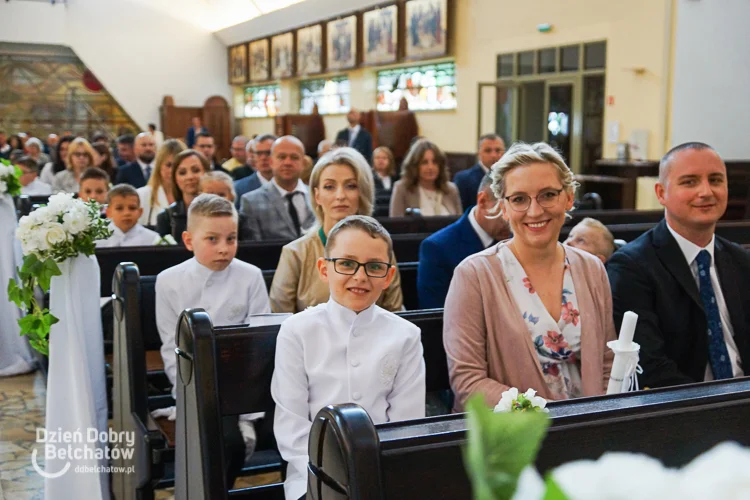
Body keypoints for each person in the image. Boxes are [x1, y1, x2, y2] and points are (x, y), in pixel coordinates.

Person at [443, 142, 615, 410]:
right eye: (519, 199)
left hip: (587, 427)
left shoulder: (592, 269)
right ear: (504, 207)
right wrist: (543, 416)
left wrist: (596, 424)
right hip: (512, 435)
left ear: (568, 198)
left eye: (547, 195)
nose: (535, 211)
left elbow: (607, 362)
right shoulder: (474, 275)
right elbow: (468, 382)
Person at [271, 215, 425, 500]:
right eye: (346, 263)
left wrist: (371, 474)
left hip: (385, 475)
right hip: (314, 478)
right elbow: (291, 427)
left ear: (389, 276)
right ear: (324, 269)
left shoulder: (406, 336)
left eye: (375, 266)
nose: (360, 276)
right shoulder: (297, 331)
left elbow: (406, 424)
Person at [607, 142, 750, 389]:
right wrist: (720, 408)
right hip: (682, 410)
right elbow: (649, 365)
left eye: (715, 180)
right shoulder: (632, 267)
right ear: (661, 193)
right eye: (690, 182)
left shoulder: (740, 260)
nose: (706, 192)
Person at [156, 193, 270, 487]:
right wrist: (189, 389)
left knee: (232, 442)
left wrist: (245, 392)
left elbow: (259, 341)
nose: (224, 249)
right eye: (212, 239)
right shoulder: (169, 281)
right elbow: (171, 346)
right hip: (195, 382)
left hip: (245, 383)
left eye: (231, 239)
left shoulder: (250, 276)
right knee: (224, 442)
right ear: (188, 240)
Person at [271, 148, 404, 313]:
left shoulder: (381, 249)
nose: (340, 195)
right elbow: (279, 322)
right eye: (329, 187)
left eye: (350, 186)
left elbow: (395, 313)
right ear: (317, 195)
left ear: (363, 192)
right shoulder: (296, 253)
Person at [417, 174, 510, 309]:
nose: (511, 221)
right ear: (483, 201)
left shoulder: (515, 238)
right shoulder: (437, 248)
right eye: (505, 210)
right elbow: (436, 316)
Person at [240, 136, 315, 240]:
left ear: (303, 162)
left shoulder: (317, 196)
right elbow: (254, 249)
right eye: (281, 157)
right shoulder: (251, 201)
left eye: (294, 157)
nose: (287, 163)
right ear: (271, 162)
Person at [389, 139, 462, 217]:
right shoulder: (402, 188)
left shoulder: (451, 189)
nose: (430, 167)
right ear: (415, 166)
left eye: (434, 162)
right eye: (424, 162)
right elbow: (396, 225)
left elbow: (459, 224)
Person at [156, 149, 209, 239]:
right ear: (175, 179)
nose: (189, 177)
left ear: (207, 173)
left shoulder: (224, 212)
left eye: (195, 170)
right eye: (182, 173)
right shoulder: (166, 217)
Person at [137, 139, 185, 226]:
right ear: (159, 166)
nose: (172, 170)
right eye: (168, 165)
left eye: (177, 165)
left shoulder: (193, 198)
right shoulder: (142, 195)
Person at [97, 184, 161, 247]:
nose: (126, 213)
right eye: (119, 208)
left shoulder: (153, 240)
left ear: (140, 212)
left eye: (132, 208)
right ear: (108, 213)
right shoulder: (96, 240)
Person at [453, 134, 506, 210]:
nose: (493, 155)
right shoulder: (464, 179)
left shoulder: (511, 177)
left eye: (498, 150)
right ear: (479, 153)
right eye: (488, 151)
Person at [199, 171, 251, 240]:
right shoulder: (195, 218)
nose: (216, 199)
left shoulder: (241, 220)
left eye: (221, 195)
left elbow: (248, 246)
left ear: (231, 197)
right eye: (210, 194)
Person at [234, 134, 275, 206]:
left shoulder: (290, 185)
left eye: (268, 153)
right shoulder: (238, 188)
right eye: (259, 153)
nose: (263, 158)